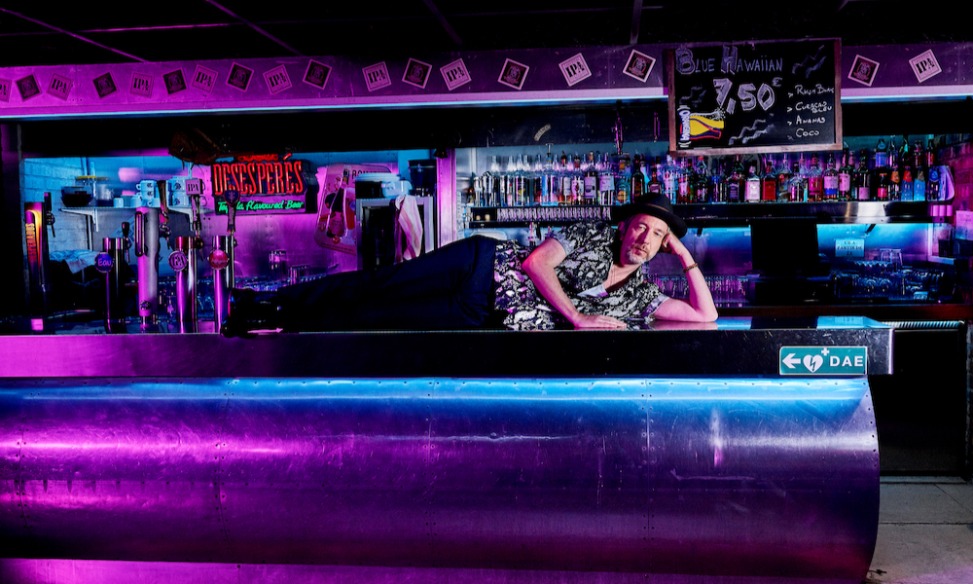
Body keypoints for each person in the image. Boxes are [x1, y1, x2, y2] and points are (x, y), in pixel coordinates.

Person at [221, 192, 717, 336]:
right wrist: (578, 318)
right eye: (641, 227)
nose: (645, 238)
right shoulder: (593, 235)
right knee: (379, 285)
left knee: (376, 318)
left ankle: (277, 322)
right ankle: (267, 301)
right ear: (626, 226)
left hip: (481, 313)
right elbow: (536, 263)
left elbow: (705, 316)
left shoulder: (639, 296)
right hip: (479, 265)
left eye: (657, 235)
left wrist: (684, 255)